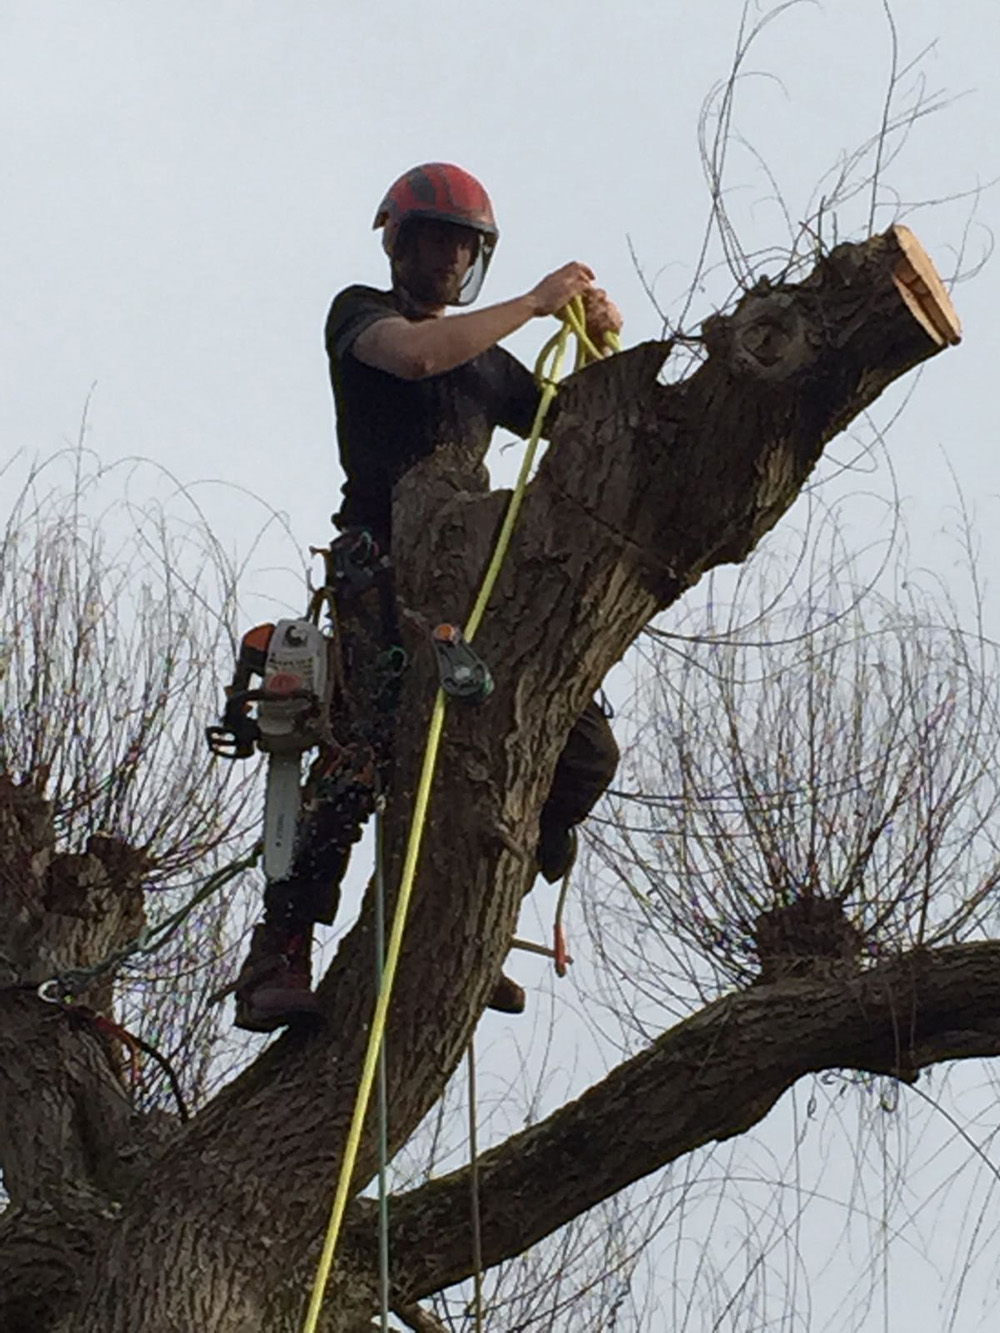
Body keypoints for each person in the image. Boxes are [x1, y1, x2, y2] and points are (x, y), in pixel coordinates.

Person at [234, 163, 620, 1031]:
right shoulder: (362, 315)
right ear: (399, 244)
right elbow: (418, 357)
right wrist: (532, 302)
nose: (448, 257)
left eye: (462, 244)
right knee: (364, 750)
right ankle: (278, 949)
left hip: (475, 579)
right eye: (435, 240)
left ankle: (469, 922)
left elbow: (590, 421)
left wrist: (602, 342)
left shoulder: (489, 359)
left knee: (583, 750)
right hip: (385, 569)